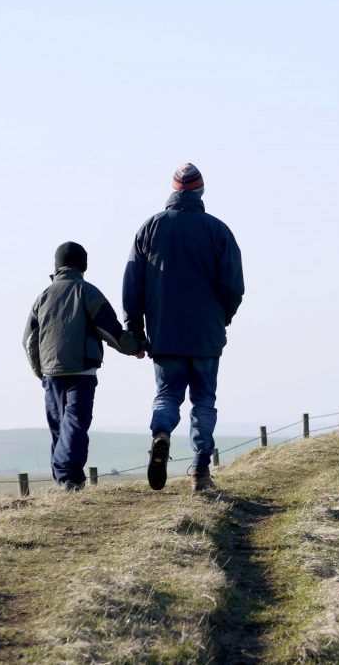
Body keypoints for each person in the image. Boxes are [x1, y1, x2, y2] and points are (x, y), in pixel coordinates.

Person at [123, 163, 244, 492]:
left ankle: (161, 434)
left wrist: (135, 331)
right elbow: (234, 285)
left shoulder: (150, 228)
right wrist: (223, 317)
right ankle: (201, 470)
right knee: (203, 400)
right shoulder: (217, 230)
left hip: (165, 333)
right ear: (200, 192)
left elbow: (132, 284)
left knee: (166, 396)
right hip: (206, 335)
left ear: (173, 191)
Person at [24, 241, 143, 490]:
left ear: (57, 266)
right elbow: (110, 331)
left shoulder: (42, 297)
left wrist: (41, 372)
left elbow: (28, 341)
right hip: (82, 371)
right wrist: (136, 348)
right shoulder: (87, 292)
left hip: (51, 373)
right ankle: (70, 478)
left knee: (59, 427)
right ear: (83, 265)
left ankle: (63, 479)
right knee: (75, 423)